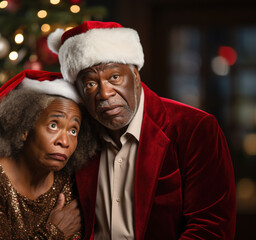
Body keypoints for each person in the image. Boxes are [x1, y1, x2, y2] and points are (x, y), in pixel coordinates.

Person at [47, 21, 236, 239]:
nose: (105, 93)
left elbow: (212, 227)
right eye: (90, 84)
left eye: (114, 77)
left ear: (136, 76)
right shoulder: (74, 137)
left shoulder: (194, 128)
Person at [0, 70, 98, 239]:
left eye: (73, 130)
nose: (64, 142)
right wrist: (53, 233)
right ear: (24, 128)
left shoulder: (67, 181)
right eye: (53, 125)